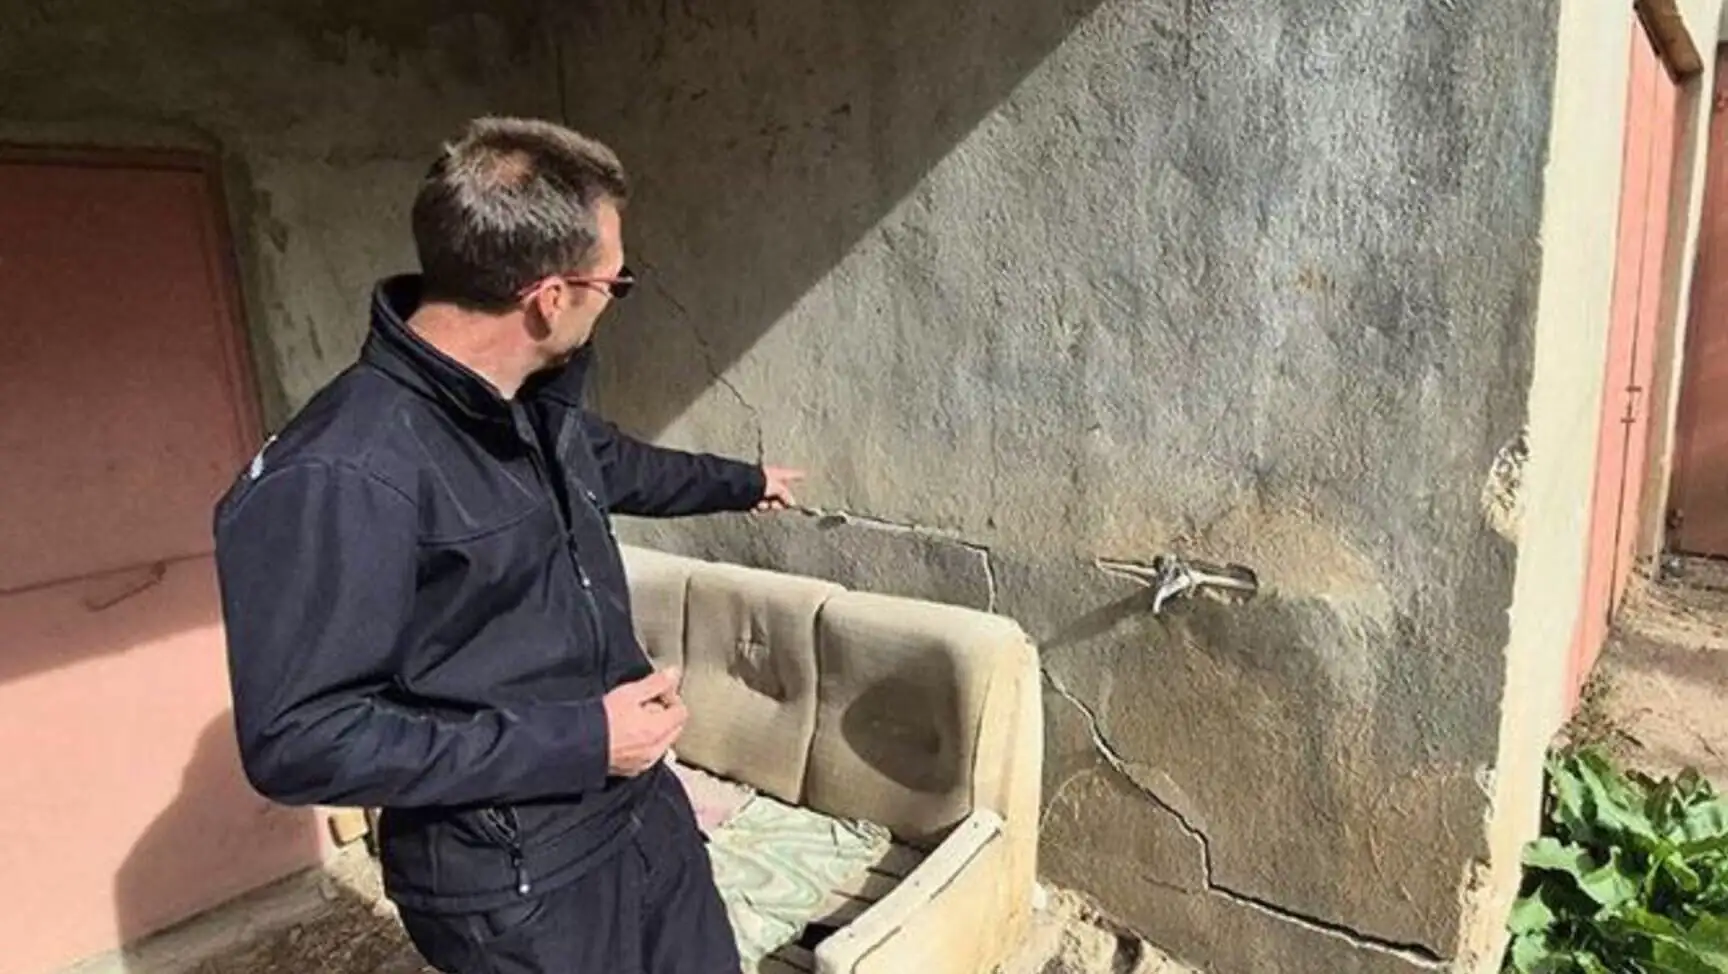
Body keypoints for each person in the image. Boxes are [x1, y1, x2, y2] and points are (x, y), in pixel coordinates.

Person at [213, 116, 801, 974]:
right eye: (616, 281)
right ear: (551, 295)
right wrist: (581, 740)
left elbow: (612, 464)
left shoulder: (529, 401)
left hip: (638, 811)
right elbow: (301, 738)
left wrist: (745, 481)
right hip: (518, 885)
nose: (616, 295)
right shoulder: (340, 472)